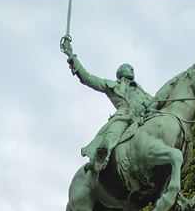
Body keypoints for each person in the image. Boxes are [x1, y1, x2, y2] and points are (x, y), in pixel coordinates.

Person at [60, 37, 154, 173]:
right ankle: (98, 161)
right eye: (128, 67)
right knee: (112, 135)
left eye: (132, 68)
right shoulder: (112, 85)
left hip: (145, 117)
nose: (132, 68)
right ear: (120, 72)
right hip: (125, 117)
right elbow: (88, 78)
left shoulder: (141, 90)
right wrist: (71, 55)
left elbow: (155, 101)